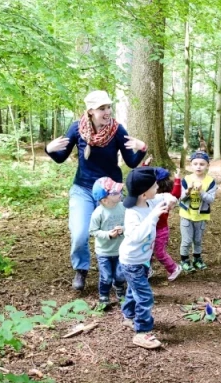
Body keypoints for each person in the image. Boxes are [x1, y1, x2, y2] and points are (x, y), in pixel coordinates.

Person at [46, 90, 147, 291]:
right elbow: (60, 158)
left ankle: (121, 270)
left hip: (111, 192)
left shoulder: (117, 130)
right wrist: (49, 149)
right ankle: (81, 269)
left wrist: (142, 148)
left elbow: (131, 162)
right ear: (91, 111)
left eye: (109, 107)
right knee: (79, 234)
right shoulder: (77, 128)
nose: (107, 111)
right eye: (102, 108)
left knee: (119, 232)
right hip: (83, 189)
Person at [119, 166, 177, 349]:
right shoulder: (133, 213)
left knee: (134, 289)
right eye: (154, 186)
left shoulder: (150, 201)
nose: (158, 188)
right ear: (144, 194)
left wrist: (171, 199)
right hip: (131, 261)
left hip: (142, 259)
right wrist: (152, 217)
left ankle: (129, 316)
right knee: (145, 297)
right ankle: (142, 332)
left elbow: (167, 196)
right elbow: (136, 236)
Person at [89, 177, 126, 305]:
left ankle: (119, 287)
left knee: (120, 274)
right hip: (104, 252)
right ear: (105, 200)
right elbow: (93, 231)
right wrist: (108, 235)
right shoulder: (98, 213)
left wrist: (123, 229)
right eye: (115, 193)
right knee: (106, 276)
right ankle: (104, 295)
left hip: (121, 250)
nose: (119, 193)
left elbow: (130, 223)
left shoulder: (123, 207)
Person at [179, 151, 217, 273]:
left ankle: (197, 259)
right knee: (186, 240)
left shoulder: (210, 181)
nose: (198, 167)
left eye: (202, 164)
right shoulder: (186, 180)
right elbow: (180, 197)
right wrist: (188, 191)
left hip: (201, 215)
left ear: (207, 165)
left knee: (198, 240)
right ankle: (184, 260)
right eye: (195, 164)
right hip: (186, 215)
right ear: (191, 165)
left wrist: (201, 192)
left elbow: (211, 199)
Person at [152, 167, 183, 281]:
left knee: (159, 253)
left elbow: (176, 194)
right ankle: (147, 270)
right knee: (147, 252)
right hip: (149, 228)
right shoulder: (148, 195)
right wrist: (145, 165)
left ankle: (174, 268)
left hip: (161, 229)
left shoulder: (165, 196)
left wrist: (177, 180)